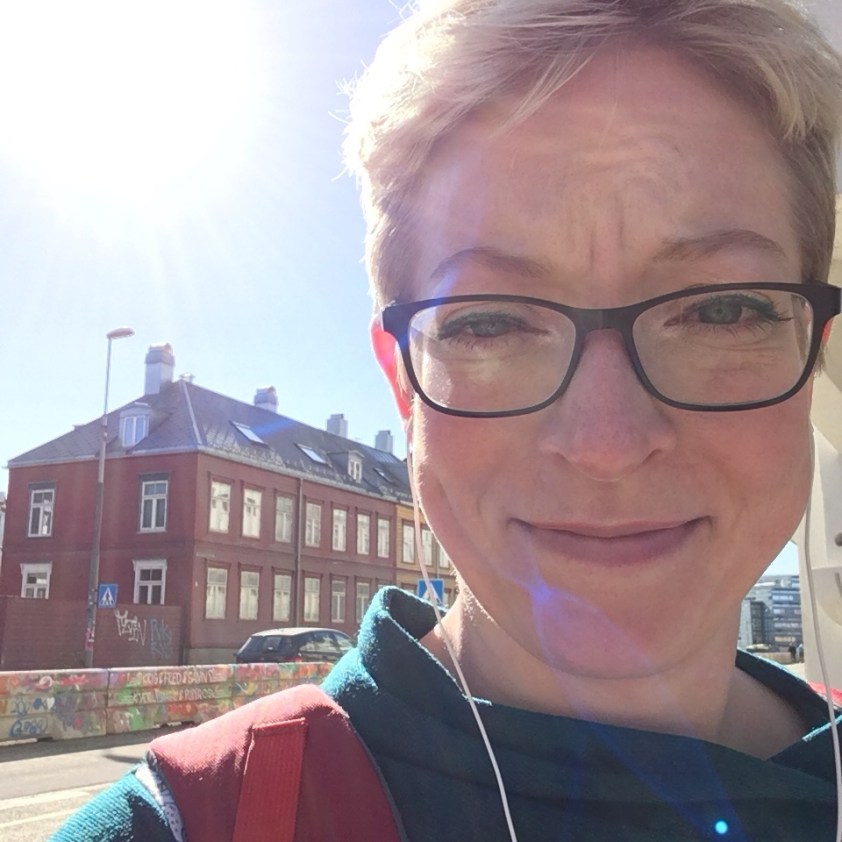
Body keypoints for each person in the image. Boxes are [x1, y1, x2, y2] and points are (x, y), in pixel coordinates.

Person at [54, 0, 842, 839]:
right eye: (488, 323)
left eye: (721, 310)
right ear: (404, 383)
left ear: (815, 349)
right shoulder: (200, 820)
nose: (606, 444)